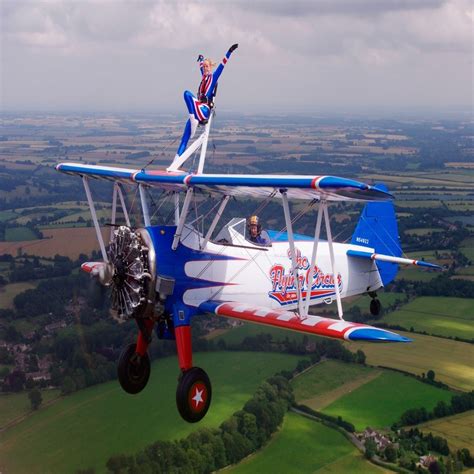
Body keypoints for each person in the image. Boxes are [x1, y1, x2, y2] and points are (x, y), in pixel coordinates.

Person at [176, 43, 239, 157]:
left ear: (211, 67)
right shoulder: (203, 77)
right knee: (184, 138)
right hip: (197, 110)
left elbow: (222, 64)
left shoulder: (213, 77)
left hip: (204, 110)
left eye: (207, 66)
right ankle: (175, 164)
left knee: (187, 94)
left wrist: (229, 51)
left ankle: (193, 119)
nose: (205, 68)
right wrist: (201, 58)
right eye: (204, 66)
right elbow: (200, 66)